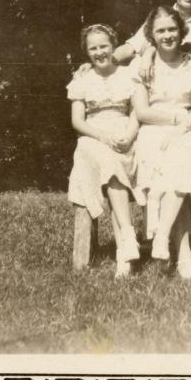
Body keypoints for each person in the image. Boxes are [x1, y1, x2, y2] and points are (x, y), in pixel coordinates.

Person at [130, 6, 191, 279]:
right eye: (161, 30)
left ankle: (162, 236)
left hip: (187, 129)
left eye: (172, 29)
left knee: (185, 155)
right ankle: (183, 257)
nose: (167, 35)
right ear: (151, 35)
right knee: (179, 167)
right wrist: (173, 120)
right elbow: (143, 111)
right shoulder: (143, 65)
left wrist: (180, 128)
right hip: (153, 129)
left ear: (181, 31)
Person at [67, 24, 144, 278]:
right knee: (108, 159)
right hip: (92, 137)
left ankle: (125, 250)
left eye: (104, 46)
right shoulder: (82, 80)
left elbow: (136, 112)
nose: (99, 52)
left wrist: (130, 135)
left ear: (113, 46)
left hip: (124, 132)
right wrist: (103, 137)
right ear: (87, 52)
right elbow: (78, 122)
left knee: (115, 161)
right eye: (93, 48)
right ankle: (127, 238)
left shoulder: (128, 75)